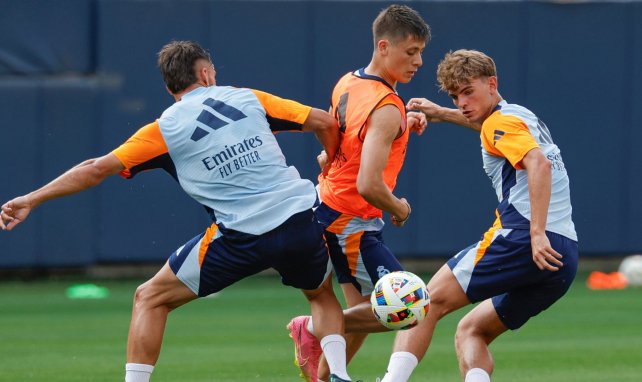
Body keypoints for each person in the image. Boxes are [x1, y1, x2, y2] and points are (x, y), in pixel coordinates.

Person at [0, 40, 355, 382]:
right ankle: (339, 373)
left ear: (171, 88)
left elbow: (95, 169)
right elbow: (324, 122)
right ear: (205, 74)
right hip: (298, 218)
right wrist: (330, 171)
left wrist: (32, 198)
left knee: (149, 297)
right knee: (320, 294)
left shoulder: (164, 129)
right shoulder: (246, 97)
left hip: (240, 236)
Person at [379, 49, 579, 382]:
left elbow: (538, 164)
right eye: (456, 96)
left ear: (492, 83)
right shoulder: (517, 115)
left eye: (468, 91)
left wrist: (536, 233)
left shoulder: (499, 122)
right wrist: (442, 112)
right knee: (471, 330)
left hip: (523, 239)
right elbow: (488, 127)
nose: (462, 102)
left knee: (423, 304)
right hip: (564, 255)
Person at [285, 4, 431, 382]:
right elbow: (368, 183)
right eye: (410, 51)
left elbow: (339, 142)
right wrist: (399, 208)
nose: (418, 61)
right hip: (352, 219)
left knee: (364, 312)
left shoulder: (349, 81)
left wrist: (401, 124)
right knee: (410, 306)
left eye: (420, 52)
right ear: (384, 46)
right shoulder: (387, 108)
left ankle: (326, 374)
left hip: (330, 204)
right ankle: (314, 328)